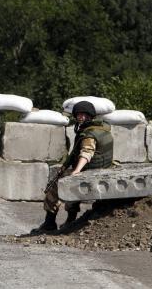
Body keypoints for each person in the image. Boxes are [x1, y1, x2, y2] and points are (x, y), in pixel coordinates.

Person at [32, 100, 114, 234]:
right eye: (79, 114)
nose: (80, 117)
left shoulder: (89, 133)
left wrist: (76, 171)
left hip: (90, 170)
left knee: (54, 189)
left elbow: (87, 153)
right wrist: (65, 167)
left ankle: (50, 223)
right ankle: (69, 221)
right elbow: (76, 152)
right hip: (101, 168)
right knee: (67, 183)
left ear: (90, 116)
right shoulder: (101, 128)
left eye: (84, 115)